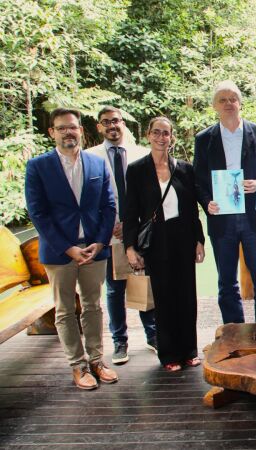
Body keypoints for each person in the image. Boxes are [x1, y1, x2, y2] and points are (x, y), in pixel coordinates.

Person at [25, 108, 118, 390]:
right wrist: (68, 249)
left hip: (93, 249)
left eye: (73, 127)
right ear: (52, 132)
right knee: (65, 311)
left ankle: (97, 361)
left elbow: (109, 205)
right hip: (59, 253)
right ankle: (77, 365)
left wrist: (100, 242)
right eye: (62, 127)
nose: (69, 132)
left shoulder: (96, 164)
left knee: (93, 306)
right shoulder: (38, 166)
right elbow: (38, 214)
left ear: (81, 130)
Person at [124, 117, 206, 372]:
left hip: (182, 237)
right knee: (164, 296)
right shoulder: (137, 169)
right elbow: (130, 211)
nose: (161, 137)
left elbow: (193, 209)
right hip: (156, 241)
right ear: (148, 135)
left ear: (172, 137)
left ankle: (189, 350)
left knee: (186, 295)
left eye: (166, 133)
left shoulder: (184, 168)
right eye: (157, 132)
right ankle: (169, 354)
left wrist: (199, 240)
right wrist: (129, 246)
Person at [193, 80, 256, 324]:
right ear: (214, 106)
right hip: (222, 218)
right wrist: (207, 202)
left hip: (254, 218)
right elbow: (198, 180)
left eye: (233, 99)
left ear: (240, 103)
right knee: (226, 281)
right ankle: (235, 331)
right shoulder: (204, 138)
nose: (228, 104)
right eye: (223, 100)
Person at [85, 106, 157, 365]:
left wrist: (131, 224)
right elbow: (89, 199)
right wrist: (110, 225)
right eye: (106, 122)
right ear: (99, 127)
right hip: (109, 233)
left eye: (116, 121)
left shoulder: (141, 154)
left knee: (144, 282)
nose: (112, 126)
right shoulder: (90, 157)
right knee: (115, 289)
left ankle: (152, 335)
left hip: (139, 231)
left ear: (123, 123)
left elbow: (149, 196)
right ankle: (119, 341)